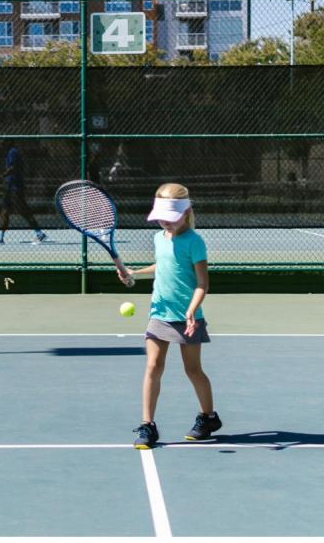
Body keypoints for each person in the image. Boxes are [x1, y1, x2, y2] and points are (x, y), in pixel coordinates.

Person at [118, 183, 221, 449]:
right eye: (162, 218)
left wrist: (191, 310)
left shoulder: (195, 242)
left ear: (186, 213)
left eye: (171, 219)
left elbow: (203, 284)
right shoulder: (158, 238)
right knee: (153, 366)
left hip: (188, 318)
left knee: (193, 370)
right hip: (159, 313)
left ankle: (208, 417)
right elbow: (163, 265)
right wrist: (134, 273)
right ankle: (147, 425)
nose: (166, 223)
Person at [0, 140, 47, 245]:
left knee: (23, 211)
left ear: (8, 142)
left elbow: (13, 168)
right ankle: (0, 237)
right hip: (9, 188)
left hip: (15, 188)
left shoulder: (13, 152)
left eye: (3, 141)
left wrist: (2, 176)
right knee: (4, 211)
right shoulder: (9, 152)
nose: (0, 143)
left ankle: (40, 234)